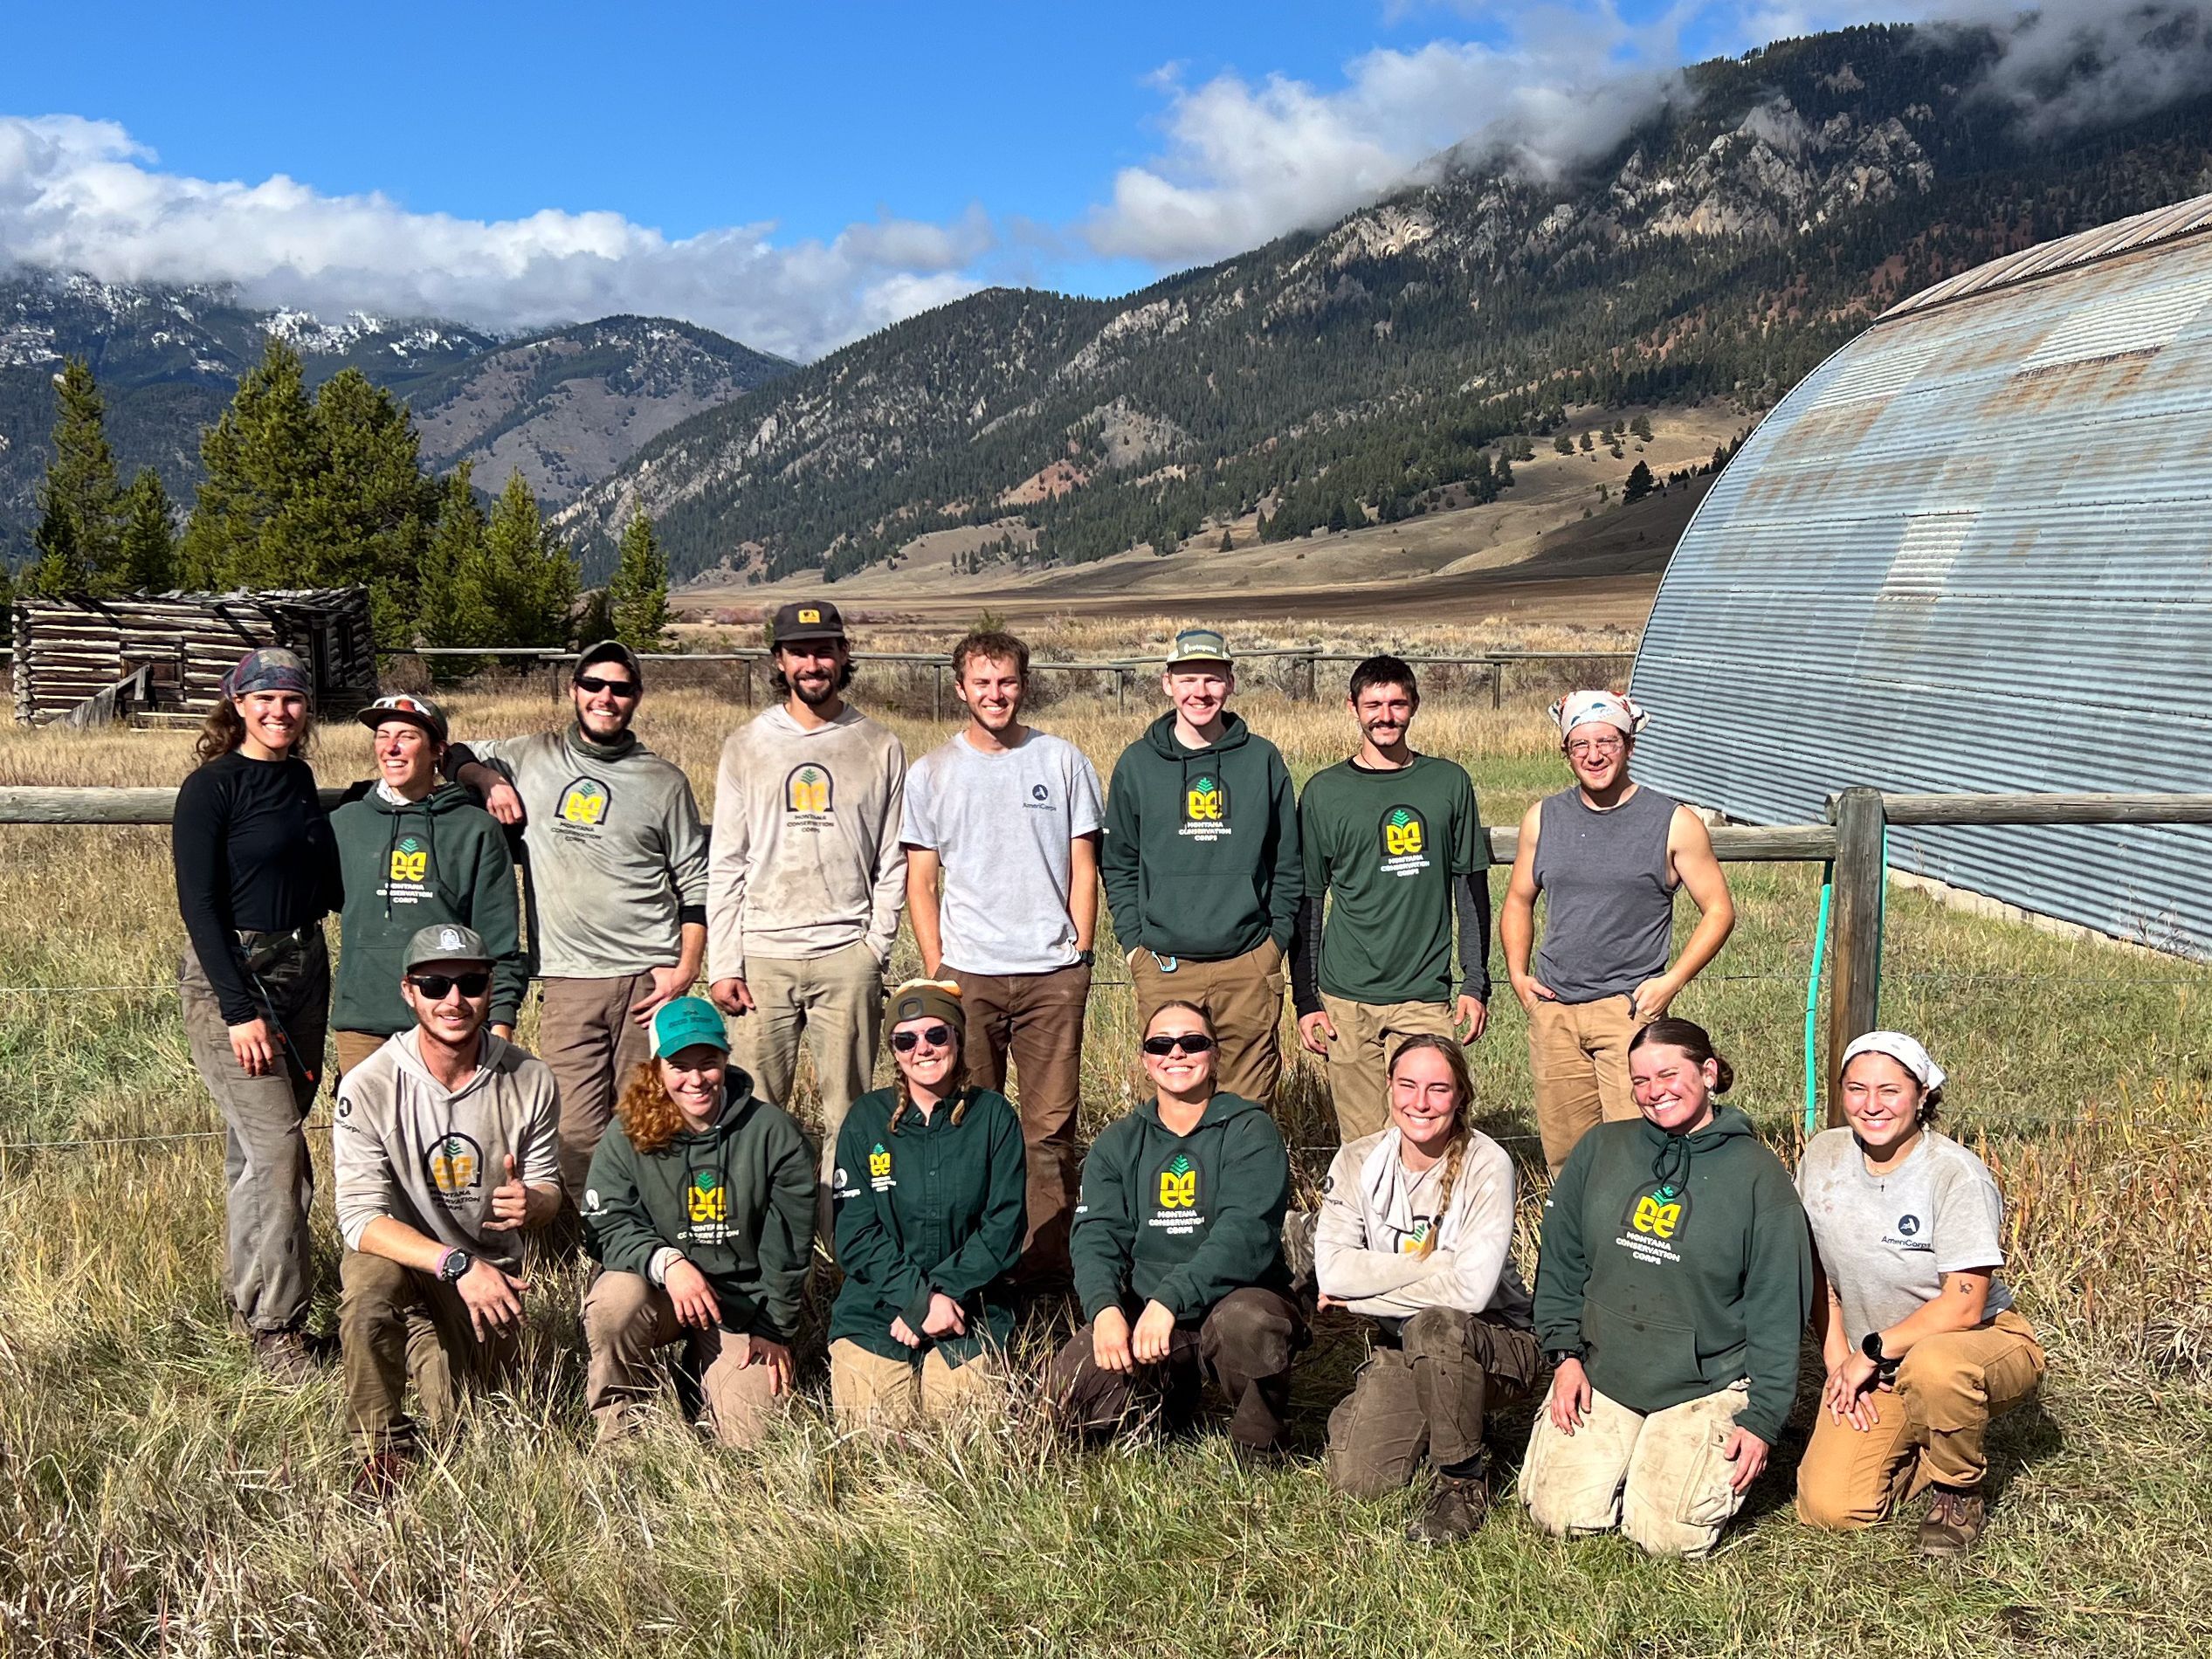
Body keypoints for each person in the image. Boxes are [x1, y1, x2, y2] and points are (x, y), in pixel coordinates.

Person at [1521, 1018, 1810, 1559]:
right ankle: (1623, 1451)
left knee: (1667, 1538)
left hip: (1704, 1383)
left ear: (1708, 1072)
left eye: (1668, 1074)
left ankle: (1672, 1458)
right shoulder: (1601, 1149)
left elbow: (1777, 1309)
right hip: (1604, 1372)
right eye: (1640, 1080)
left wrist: (1764, 1419)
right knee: (1557, 1514)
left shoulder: (1759, 1177)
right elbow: (1561, 1261)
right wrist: (1564, 1356)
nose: (1655, 1091)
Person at [446, 641, 710, 1205]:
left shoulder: (664, 781)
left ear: (636, 697)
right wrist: (486, 780)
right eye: (593, 684)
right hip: (569, 977)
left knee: (648, 1122)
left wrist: (684, 971)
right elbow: (454, 751)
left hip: (648, 978)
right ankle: (582, 1245)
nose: (604, 697)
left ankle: (647, 1247)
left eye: (619, 688)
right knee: (572, 1129)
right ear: (573, 690)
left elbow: (695, 883)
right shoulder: (530, 756)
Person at [900, 629, 1102, 1287]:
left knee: (1049, 1130)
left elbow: (1083, 864)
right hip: (969, 975)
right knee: (971, 1124)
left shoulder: (1061, 760)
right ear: (960, 689)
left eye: (1007, 682)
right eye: (982, 683)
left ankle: (1045, 1269)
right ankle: (977, 1268)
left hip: (1051, 973)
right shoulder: (932, 772)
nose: (996, 694)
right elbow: (921, 880)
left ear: (1024, 684)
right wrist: (940, 971)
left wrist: (1080, 952)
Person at [333, 925, 563, 1497]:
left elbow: (549, 1187)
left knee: (473, 1429)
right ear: (409, 993)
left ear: (490, 989)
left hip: (492, 1272)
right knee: (365, 1294)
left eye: (470, 983)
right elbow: (359, 1220)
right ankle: (379, 1445)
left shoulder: (529, 1078)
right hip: (412, 1256)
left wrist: (533, 1204)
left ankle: (426, 1341)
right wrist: (457, 1265)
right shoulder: (368, 1085)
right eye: (435, 986)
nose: (453, 1000)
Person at [1795, 1032, 2045, 1557]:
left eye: (1890, 1090)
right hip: (1876, 1358)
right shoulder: (1823, 1154)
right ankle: (1924, 1437)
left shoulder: (1955, 1174)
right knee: (1829, 1508)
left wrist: (1871, 1352)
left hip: (1975, 1341)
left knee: (1936, 1368)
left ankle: (1958, 1486)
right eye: (1857, 1089)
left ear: (1923, 1093)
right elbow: (1816, 1269)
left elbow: (1965, 1302)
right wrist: (1837, 1355)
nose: (1872, 1105)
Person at [172, 646, 341, 1381]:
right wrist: (239, 1010)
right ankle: (278, 1329)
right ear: (237, 704)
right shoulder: (210, 789)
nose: (279, 712)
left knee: (256, 1154)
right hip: (234, 983)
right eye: (264, 699)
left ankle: (247, 1302)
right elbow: (200, 906)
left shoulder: (300, 780)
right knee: (280, 1155)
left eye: (293, 700)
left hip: (305, 970)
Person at [707, 601, 906, 1208]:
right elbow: (727, 859)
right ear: (779, 660)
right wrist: (724, 963)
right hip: (762, 956)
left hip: (845, 955)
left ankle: (840, 1246)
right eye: (799, 651)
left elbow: (893, 858)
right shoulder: (747, 746)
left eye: (824, 650)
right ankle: (764, 1243)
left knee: (847, 1115)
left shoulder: (878, 744)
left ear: (845, 656)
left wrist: (873, 948)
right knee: (751, 1113)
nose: (813, 662)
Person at [1050, 1002, 1303, 1452]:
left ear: (1215, 1055)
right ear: (1145, 1061)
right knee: (1069, 1395)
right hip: (1146, 1313)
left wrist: (1171, 1297)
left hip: (1233, 1298)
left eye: (1193, 1043)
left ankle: (1259, 1445)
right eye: (1161, 1045)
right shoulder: (1119, 1142)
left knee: (1249, 1325)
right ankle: (1166, 1405)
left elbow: (1245, 1233)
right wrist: (1105, 1308)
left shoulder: (1250, 1130)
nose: (1177, 1054)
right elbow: (1097, 1236)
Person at [1501, 690, 1734, 1176]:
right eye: (1580, 744)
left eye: (1607, 740)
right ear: (1565, 750)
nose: (1594, 754)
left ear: (1629, 744)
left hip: (1627, 1013)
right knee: (1567, 1157)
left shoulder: (1673, 822)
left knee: (1637, 1150)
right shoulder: (1543, 818)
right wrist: (1519, 977)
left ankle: (1638, 1245)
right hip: (1555, 1012)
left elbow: (1718, 910)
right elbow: (1519, 900)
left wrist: (1670, 982)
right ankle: (1577, 1246)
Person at [1316, 1036, 1540, 1542]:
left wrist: (1360, 1299)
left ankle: (1461, 1482)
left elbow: (1471, 1292)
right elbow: (1332, 1273)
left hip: (1492, 1340)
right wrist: (1435, 1262)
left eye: (1439, 1089)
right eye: (1408, 1085)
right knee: (1359, 1481)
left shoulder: (1487, 1164)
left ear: (1461, 1096)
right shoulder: (1355, 1162)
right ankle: (1438, 1412)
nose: (1421, 1102)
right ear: (1389, 1087)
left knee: (1437, 1325)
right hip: (1401, 1341)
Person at [579, 996, 817, 1449]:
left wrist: (775, 1328)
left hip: (740, 1304)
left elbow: (790, 1242)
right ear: (658, 1067)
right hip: (659, 1291)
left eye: (707, 1063)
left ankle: (698, 1374)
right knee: (614, 1303)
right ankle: (622, 1437)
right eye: (679, 1065)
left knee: (754, 1443)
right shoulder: (629, 1129)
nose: (695, 1080)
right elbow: (605, 1222)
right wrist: (667, 1263)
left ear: (726, 1058)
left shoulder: (772, 1132)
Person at [1293, 656, 1492, 1144]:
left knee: (1429, 1131)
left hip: (1423, 993)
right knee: (1362, 1143)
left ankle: (1433, 1221)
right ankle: (1366, 1223)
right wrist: (1306, 997)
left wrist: (1476, 983)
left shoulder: (1448, 783)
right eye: (1374, 704)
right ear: (1353, 708)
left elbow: (1470, 889)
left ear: (1414, 706)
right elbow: (1309, 900)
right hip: (1346, 998)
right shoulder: (1324, 792)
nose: (1386, 715)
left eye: (1397, 703)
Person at [1100, 628, 1301, 1105]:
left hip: (1247, 965)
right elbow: (1120, 862)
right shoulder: (1137, 764)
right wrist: (1134, 947)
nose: (1200, 692)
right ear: (1167, 682)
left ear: (1230, 683)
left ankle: (1242, 1182)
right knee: (1173, 1107)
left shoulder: (1262, 760)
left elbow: (1287, 862)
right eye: (1188, 678)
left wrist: (1272, 947)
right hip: (1166, 966)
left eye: (1212, 679)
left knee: (1246, 1110)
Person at [829, 981, 1027, 1433]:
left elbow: (1004, 1227)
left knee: (967, 1431)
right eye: (906, 1039)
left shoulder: (994, 1116)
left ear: (957, 1037)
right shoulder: (865, 1120)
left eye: (937, 1035)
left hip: (969, 1308)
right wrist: (918, 1300)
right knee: (875, 1441)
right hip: (878, 1308)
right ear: (895, 1052)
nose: (924, 1049)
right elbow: (855, 1236)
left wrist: (941, 1295)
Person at [328, 692, 525, 1078]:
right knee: (369, 1137)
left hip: (450, 1016)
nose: (391, 747)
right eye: (382, 736)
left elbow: (498, 935)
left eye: (407, 736)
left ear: (438, 751)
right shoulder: (346, 823)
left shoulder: (474, 829)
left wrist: (500, 1021)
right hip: (364, 1020)